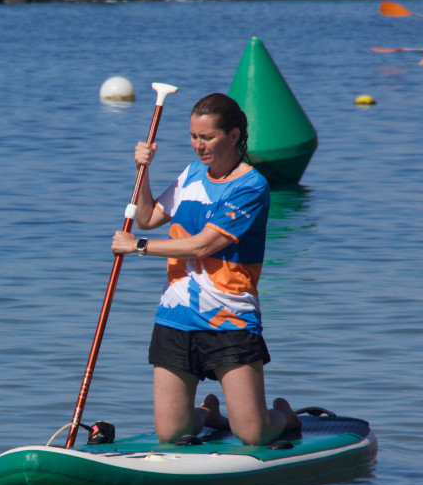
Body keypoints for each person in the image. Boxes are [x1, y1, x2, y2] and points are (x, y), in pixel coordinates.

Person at [110, 93, 300, 446]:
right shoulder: (192, 174)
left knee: (253, 434)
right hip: (176, 316)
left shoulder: (251, 187)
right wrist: (142, 170)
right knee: (171, 433)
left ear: (234, 135)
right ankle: (208, 415)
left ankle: (284, 416)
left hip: (229, 317)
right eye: (194, 136)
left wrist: (138, 246)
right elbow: (147, 218)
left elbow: (203, 245)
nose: (199, 145)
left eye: (208, 137)